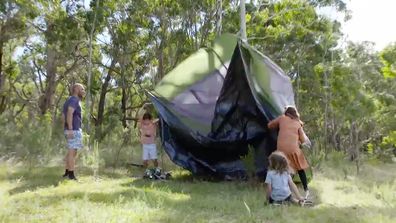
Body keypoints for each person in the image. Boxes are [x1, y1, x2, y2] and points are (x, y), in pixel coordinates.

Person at [267, 106, 311, 196]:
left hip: (281, 150)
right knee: (300, 168)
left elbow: (269, 125)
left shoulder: (282, 118)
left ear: (286, 112)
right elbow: (303, 140)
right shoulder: (298, 123)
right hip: (293, 149)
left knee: (282, 169)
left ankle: (280, 189)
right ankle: (306, 189)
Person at [62, 83, 85, 180]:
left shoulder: (68, 100)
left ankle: (67, 172)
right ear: (76, 89)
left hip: (70, 129)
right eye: (82, 89)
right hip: (73, 129)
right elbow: (70, 113)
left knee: (71, 152)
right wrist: (70, 129)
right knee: (72, 152)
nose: (84, 91)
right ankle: (71, 175)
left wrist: (65, 128)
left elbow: (63, 116)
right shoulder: (74, 100)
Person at [138, 105, 159, 171]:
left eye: (148, 118)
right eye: (145, 118)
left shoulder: (153, 123)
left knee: (154, 159)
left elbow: (158, 119)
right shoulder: (142, 124)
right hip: (145, 144)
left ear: (150, 118)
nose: (146, 120)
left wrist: (149, 110)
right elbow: (139, 115)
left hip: (152, 144)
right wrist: (143, 107)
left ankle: (156, 170)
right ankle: (146, 172)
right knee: (145, 160)